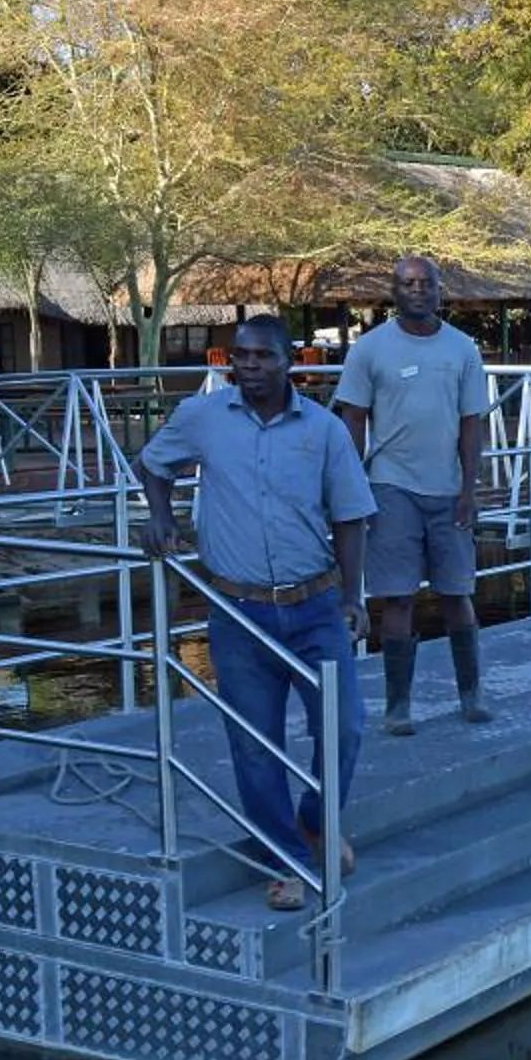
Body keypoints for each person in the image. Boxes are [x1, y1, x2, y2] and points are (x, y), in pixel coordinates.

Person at [136, 315, 373, 912]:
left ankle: (316, 821)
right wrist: (159, 514)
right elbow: (153, 463)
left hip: (316, 604)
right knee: (252, 742)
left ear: (287, 359)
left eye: (262, 357)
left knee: (344, 727)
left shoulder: (323, 431)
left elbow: (350, 517)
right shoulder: (203, 418)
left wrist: (352, 597)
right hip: (237, 609)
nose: (249, 367)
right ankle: (286, 860)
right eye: (240, 357)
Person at [334, 255, 496, 734]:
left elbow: (472, 423)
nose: (418, 290)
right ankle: (398, 706)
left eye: (426, 283)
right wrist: (352, 485)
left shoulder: (463, 349)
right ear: (395, 291)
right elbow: (353, 419)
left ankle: (471, 694)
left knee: (456, 592)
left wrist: (469, 488)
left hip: (447, 487)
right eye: (408, 283)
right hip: (390, 485)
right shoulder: (369, 349)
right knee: (397, 597)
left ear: (439, 290)